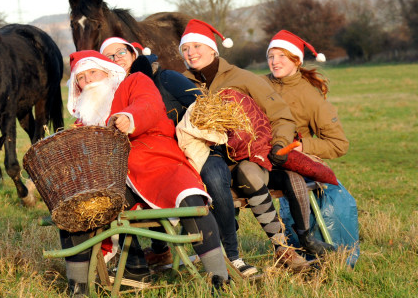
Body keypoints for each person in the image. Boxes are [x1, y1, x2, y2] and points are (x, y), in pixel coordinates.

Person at [60, 50, 229, 297]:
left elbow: (148, 104)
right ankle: (79, 290)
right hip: (113, 180)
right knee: (76, 209)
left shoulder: (133, 82)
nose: (89, 81)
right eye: (81, 78)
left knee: (189, 197)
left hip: (155, 160)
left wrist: (130, 117)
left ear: (108, 71)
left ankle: (219, 280)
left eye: (93, 72)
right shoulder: (82, 120)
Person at [178, 19, 311, 274]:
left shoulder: (242, 78)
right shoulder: (180, 83)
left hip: (247, 158)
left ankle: (282, 247)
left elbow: (281, 115)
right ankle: (206, 254)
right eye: (186, 49)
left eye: (197, 46)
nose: (191, 53)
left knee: (248, 173)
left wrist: (281, 143)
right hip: (203, 160)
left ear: (213, 49)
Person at [99, 37, 202, 268]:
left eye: (121, 53)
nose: (116, 59)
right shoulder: (106, 88)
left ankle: (227, 253)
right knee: (118, 186)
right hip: (129, 159)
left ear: (134, 54)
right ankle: (142, 260)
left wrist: (129, 118)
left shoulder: (157, 78)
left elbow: (150, 105)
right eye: (109, 57)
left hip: (175, 147)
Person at [265, 30, 348, 255]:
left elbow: (339, 144)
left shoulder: (311, 97)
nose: (275, 62)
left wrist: (303, 147)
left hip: (287, 160)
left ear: (296, 60)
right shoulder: (259, 85)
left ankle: (307, 242)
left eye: (282, 56)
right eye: (271, 56)